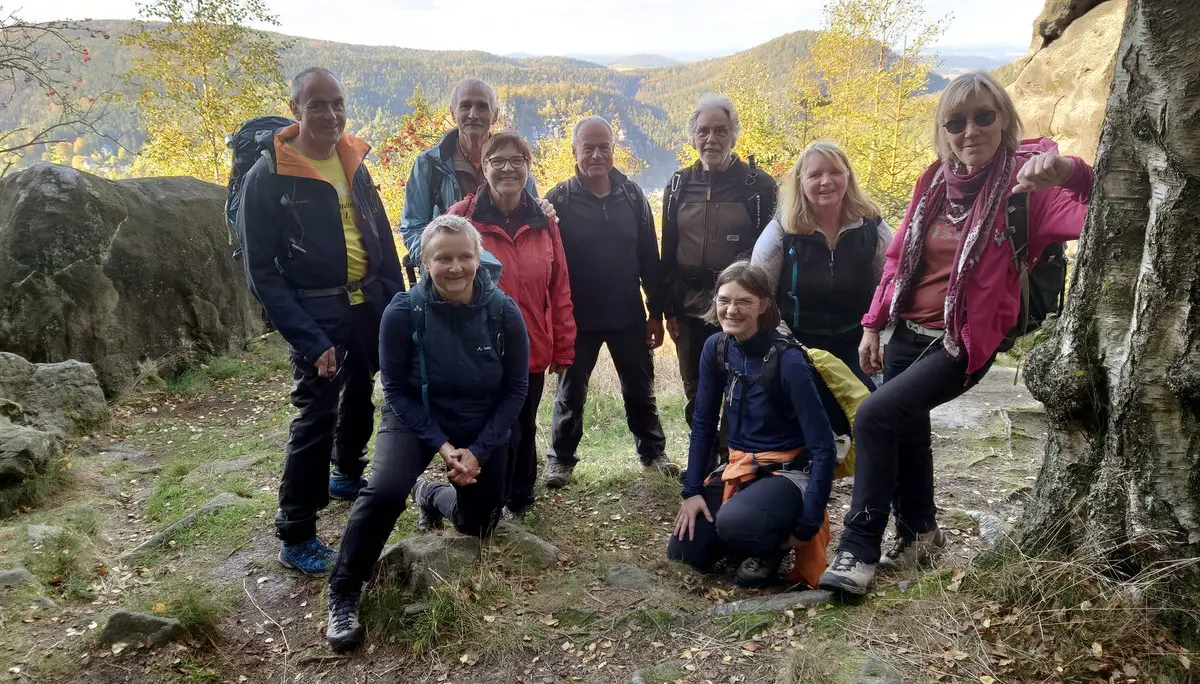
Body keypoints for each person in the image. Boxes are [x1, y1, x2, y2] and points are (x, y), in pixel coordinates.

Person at [819, 71, 1093, 595]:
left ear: (1005, 119)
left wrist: (1067, 171)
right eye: (956, 121)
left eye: (984, 116)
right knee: (907, 430)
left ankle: (858, 549)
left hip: (961, 342)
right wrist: (875, 323)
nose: (970, 130)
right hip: (907, 331)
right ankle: (921, 534)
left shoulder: (1027, 188)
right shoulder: (934, 182)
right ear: (943, 131)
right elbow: (900, 258)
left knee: (875, 416)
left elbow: (1104, 206)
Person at [324, 214, 530, 652]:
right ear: (423, 261)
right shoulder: (402, 311)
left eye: (464, 257)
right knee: (382, 491)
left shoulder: (503, 311)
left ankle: (430, 495)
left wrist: (477, 450)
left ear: (479, 259)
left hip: (480, 422)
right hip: (416, 417)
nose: (455, 268)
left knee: (480, 524)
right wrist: (440, 444)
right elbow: (395, 389)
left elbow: (516, 390)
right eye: (443, 258)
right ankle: (344, 590)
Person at [237, 67, 404, 575]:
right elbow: (260, 272)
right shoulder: (269, 176)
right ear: (296, 109)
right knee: (315, 416)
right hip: (317, 309)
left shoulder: (352, 159)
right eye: (317, 104)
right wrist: (309, 339)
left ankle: (347, 473)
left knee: (362, 391)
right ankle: (296, 530)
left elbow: (379, 237)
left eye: (337, 103)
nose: (330, 114)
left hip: (368, 302)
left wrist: (401, 306)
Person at [667, 261, 837, 588]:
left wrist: (806, 526)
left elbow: (823, 446)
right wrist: (692, 491)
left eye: (743, 301)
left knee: (734, 523)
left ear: (763, 305)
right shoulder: (716, 348)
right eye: (724, 300)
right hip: (739, 466)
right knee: (685, 552)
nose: (731, 310)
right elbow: (703, 423)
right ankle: (744, 532)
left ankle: (770, 548)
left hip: (788, 473)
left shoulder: (788, 361)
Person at [542, 116, 678, 489]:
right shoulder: (559, 200)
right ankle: (560, 460)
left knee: (640, 389)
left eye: (604, 146)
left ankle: (653, 454)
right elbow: (548, 265)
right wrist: (553, 321)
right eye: (589, 147)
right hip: (577, 319)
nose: (597, 154)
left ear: (614, 151)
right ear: (575, 152)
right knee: (570, 394)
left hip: (628, 315)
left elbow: (650, 259)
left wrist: (657, 314)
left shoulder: (633, 197)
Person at [447, 131, 575, 518]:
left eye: (516, 161)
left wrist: (564, 344)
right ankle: (483, 497)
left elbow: (560, 284)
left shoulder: (543, 220)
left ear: (527, 168)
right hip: (476, 347)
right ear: (482, 168)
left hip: (531, 342)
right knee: (487, 426)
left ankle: (519, 497)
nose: (507, 168)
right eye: (497, 161)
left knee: (523, 423)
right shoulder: (462, 217)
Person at [661, 93, 778, 469]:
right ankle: (704, 459)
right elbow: (669, 251)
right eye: (703, 131)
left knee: (741, 381)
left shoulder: (756, 185)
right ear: (693, 136)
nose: (711, 138)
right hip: (691, 302)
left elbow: (770, 251)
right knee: (696, 386)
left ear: (734, 136)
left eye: (720, 131)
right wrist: (668, 309)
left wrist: (765, 305)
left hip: (738, 304)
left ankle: (735, 458)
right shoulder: (679, 184)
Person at [752, 142, 892, 390]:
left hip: (857, 343)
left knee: (868, 415)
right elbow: (760, 297)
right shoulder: (782, 232)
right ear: (801, 182)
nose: (826, 181)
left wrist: (877, 336)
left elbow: (889, 286)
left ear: (848, 175)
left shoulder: (872, 227)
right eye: (815, 174)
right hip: (796, 343)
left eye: (835, 172)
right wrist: (792, 347)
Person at [400, 78, 552, 266]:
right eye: (465, 106)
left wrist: (544, 210)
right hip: (451, 278)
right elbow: (412, 227)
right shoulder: (429, 165)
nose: (473, 114)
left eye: (482, 107)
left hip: (506, 276)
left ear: (494, 115)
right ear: (453, 112)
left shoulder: (514, 165)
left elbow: (531, 221)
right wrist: (433, 265)